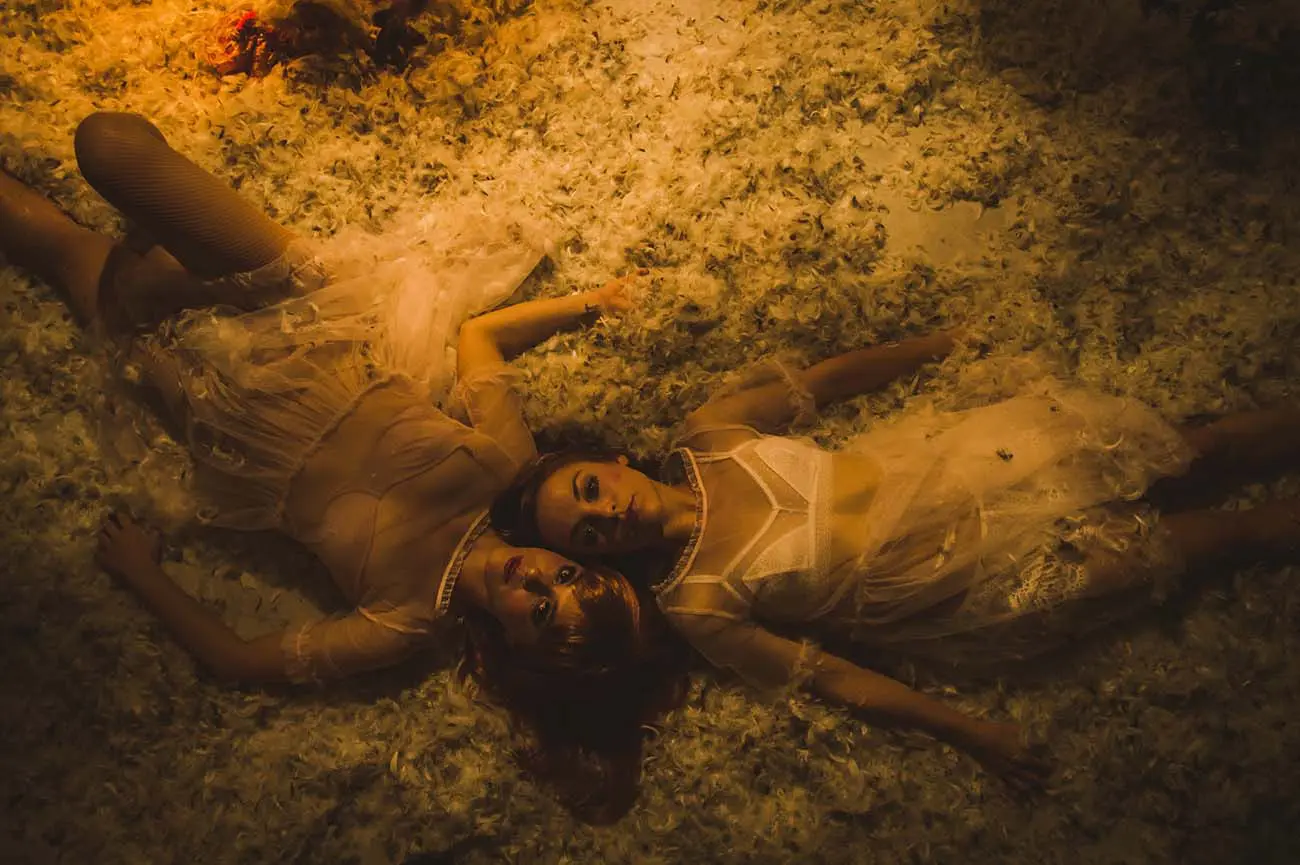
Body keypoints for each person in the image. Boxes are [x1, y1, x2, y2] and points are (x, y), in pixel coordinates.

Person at [0, 110, 681, 820]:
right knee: (107, 144)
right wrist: (591, 301)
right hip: (308, 311)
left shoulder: (404, 621)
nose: (536, 576)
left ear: (517, 647)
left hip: (217, 401)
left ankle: (156, 278)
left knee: (70, 253)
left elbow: (237, 659)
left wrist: (140, 571)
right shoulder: (511, 472)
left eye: (539, 610)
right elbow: (480, 340)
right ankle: (163, 276)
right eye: (563, 575)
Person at [490, 332, 1300, 789]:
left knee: (1202, 449)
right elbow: (834, 677)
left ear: (611, 461)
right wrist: (971, 732)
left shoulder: (711, 432)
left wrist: (941, 344)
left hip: (975, 469)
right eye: (586, 534)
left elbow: (829, 380)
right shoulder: (697, 600)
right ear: (598, 562)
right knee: (1225, 536)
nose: (606, 513)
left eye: (590, 488)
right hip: (973, 579)